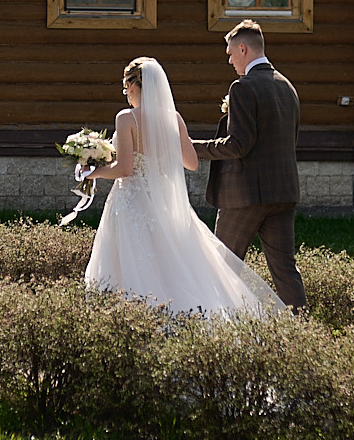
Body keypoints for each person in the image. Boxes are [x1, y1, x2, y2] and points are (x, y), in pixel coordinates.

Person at [81, 56, 278, 318]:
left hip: (132, 201)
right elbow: (192, 163)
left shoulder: (126, 118)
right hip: (164, 201)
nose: (125, 92)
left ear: (135, 85)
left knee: (131, 260)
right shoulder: (173, 118)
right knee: (171, 260)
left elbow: (124, 169)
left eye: (126, 86)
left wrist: (93, 172)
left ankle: (129, 317)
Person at [192, 21, 306, 311]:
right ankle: (304, 329)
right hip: (283, 193)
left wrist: (193, 148)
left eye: (231, 54)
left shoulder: (242, 87)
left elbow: (238, 145)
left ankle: (217, 326)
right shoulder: (287, 86)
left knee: (222, 266)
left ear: (243, 49)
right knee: (285, 270)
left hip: (245, 196)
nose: (230, 61)